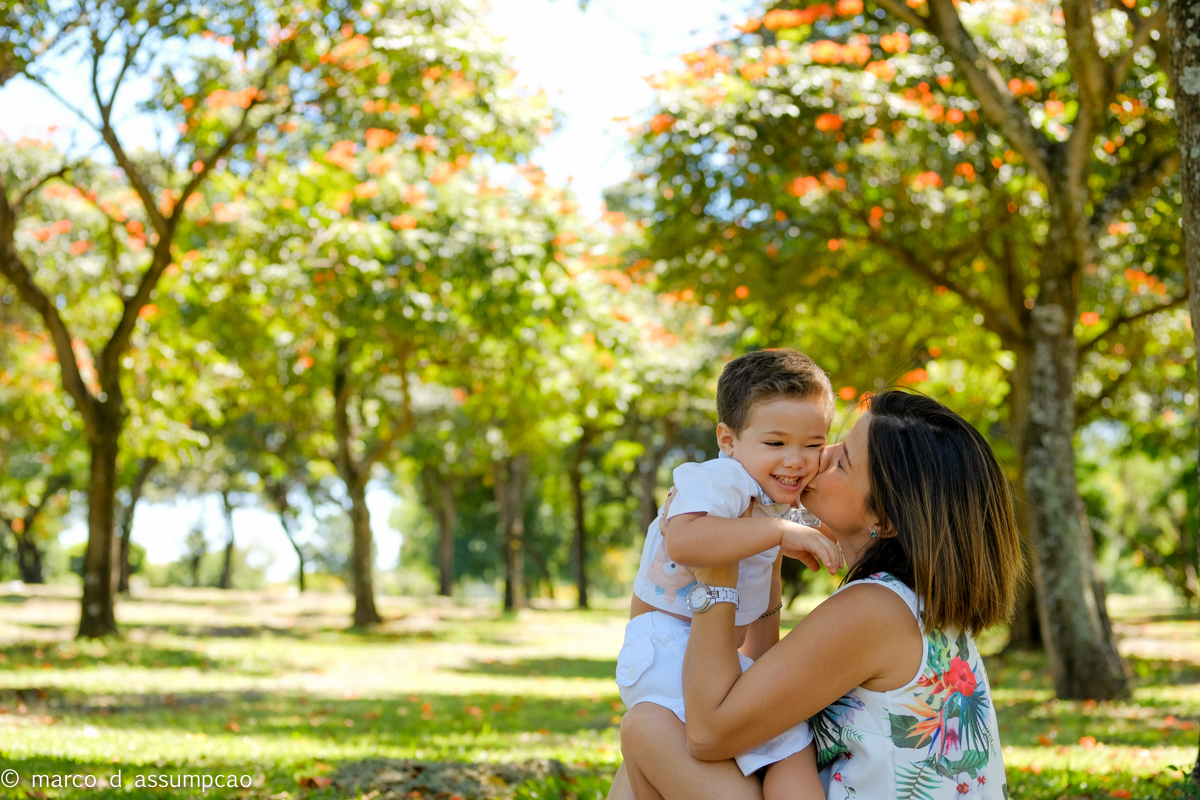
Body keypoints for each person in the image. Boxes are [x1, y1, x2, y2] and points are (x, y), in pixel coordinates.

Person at [613, 390, 1023, 800]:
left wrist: (717, 576)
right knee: (646, 752)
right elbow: (751, 687)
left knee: (648, 727)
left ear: (885, 516)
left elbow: (709, 732)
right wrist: (758, 547)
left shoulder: (875, 609)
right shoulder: (906, 601)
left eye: (842, 462)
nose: (820, 455)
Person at [614, 349, 844, 800]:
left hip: (707, 652)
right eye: (776, 444)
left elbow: (830, 529)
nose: (796, 460)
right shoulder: (720, 479)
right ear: (728, 440)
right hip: (668, 648)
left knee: (788, 740)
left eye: (813, 445)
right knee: (768, 740)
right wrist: (779, 533)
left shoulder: (774, 495)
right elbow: (684, 541)